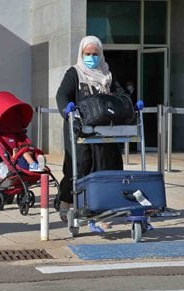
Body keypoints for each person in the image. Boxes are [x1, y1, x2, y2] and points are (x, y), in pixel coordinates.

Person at [56, 35, 125, 223]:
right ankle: (65, 202)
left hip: (103, 128)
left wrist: (125, 105)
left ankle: (100, 206)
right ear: (81, 53)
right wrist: (67, 112)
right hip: (78, 126)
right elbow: (62, 94)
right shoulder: (75, 73)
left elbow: (120, 94)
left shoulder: (107, 74)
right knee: (79, 164)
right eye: (88, 54)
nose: (92, 57)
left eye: (95, 54)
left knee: (105, 163)